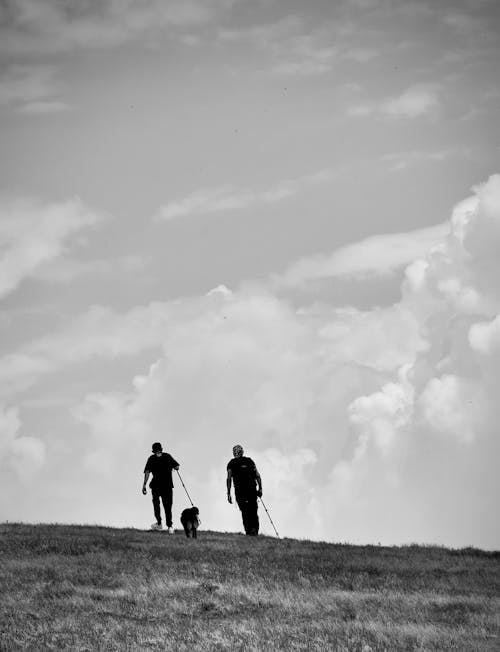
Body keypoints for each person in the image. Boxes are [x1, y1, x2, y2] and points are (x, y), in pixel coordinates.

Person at [142, 442, 179, 533]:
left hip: (156, 486)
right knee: (168, 506)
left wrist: (144, 485)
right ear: (161, 449)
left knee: (156, 505)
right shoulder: (167, 456)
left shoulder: (151, 458)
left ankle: (159, 523)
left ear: (153, 450)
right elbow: (177, 466)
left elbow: (147, 472)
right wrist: (173, 467)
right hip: (167, 485)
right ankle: (170, 526)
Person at [226, 444, 262, 536]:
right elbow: (257, 475)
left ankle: (248, 531)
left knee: (245, 511)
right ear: (242, 452)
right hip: (252, 490)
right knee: (253, 511)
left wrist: (228, 493)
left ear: (234, 453)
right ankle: (255, 531)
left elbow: (229, 478)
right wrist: (260, 489)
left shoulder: (231, 463)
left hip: (240, 492)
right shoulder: (249, 461)